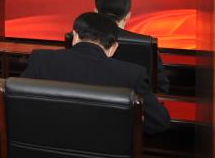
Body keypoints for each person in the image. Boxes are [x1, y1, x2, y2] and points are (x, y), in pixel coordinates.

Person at [22, 12, 170, 135]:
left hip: (47, 150)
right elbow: (159, 122)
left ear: (75, 37)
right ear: (113, 48)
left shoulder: (41, 59)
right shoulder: (133, 74)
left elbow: (19, 103)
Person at [94, 0, 170, 93]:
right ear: (127, 16)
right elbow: (161, 88)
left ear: (95, 12)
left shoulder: (79, 40)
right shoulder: (146, 44)